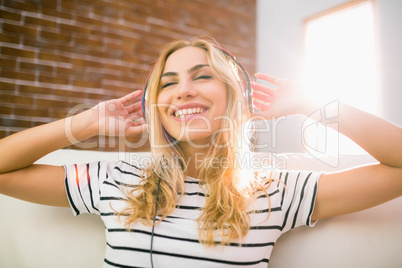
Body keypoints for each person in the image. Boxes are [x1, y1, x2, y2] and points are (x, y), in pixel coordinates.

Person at [0, 37, 401, 268]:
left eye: (203, 76)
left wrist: (319, 105)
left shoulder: (275, 192)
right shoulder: (118, 179)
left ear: (236, 95)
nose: (184, 90)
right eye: (168, 82)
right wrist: (83, 124)